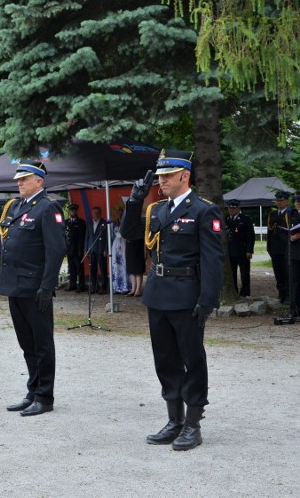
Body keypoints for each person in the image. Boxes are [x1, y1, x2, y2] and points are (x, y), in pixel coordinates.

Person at [121, 149, 223, 451]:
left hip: (187, 294)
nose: (161, 181)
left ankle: (193, 424)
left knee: (192, 359)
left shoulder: (203, 210)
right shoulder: (158, 210)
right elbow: (129, 233)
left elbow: (213, 261)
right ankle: (174, 420)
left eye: (167, 176)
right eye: (159, 176)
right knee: (165, 359)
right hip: (159, 293)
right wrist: (135, 201)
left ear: (184, 176)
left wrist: (208, 300)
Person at [0, 161, 65, 417]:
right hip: (14, 285)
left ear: (39, 181)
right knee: (27, 343)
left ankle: (45, 396)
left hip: (35, 287)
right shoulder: (15, 206)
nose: (19, 183)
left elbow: (56, 250)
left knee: (42, 343)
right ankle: (33, 390)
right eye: (18, 180)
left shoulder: (48, 208)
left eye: (24, 179)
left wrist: (48, 286)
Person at [225, 199, 255, 297]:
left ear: (238, 208)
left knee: (245, 274)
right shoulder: (226, 219)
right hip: (229, 251)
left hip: (242, 250)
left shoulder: (245, 219)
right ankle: (234, 292)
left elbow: (250, 236)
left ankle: (245, 293)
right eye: (230, 208)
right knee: (231, 273)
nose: (232, 210)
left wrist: (249, 250)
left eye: (234, 208)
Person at [266, 191, 292, 303]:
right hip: (275, 248)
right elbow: (269, 232)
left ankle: (288, 295)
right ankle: (281, 293)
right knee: (278, 273)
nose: (279, 203)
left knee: (287, 273)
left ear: (287, 201)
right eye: (278, 201)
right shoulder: (273, 214)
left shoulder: (291, 213)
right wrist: (269, 247)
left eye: (282, 201)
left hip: (286, 248)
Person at [85, 206, 109, 294]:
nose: (95, 214)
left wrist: (106, 249)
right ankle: (94, 286)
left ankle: (104, 287)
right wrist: (86, 249)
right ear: (92, 214)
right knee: (92, 269)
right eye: (94, 213)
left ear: (100, 213)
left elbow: (107, 237)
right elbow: (87, 237)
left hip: (101, 250)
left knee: (103, 269)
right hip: (91, 250)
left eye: (97, 213)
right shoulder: (90, 223)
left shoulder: (104, 223)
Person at [64, 203, 87, 292]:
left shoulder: (81, 222)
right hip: (69, 249)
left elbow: (82, 237)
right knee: (71, 268)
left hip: (77, 249)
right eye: (71, 210)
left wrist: (81, 249)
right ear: (69, 211)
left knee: (79, 269)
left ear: (77, 211)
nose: (73, 212)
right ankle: (72, 284)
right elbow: (65, 236)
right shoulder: (66, 222)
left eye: (74, 210)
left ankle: (81, 286)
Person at [124, 212, 146, 297]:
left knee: (138, 269)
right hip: (130, 246)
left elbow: (144, 237)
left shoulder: (141, 223)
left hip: (139, 247)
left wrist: (145, 250)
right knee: (131, 269)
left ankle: (138, 290)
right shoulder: (128, 225)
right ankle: (133, 289)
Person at [110, 207, 130, 294]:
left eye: (121, 214)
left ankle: (125, 286)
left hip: (124, 244)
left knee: (124, 264)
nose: (120, 215)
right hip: (115, 245)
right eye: (119, 214)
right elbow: (111, 236)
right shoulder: (114, 224)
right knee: (115, 265)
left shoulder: (126, 224)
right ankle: (117, 286)